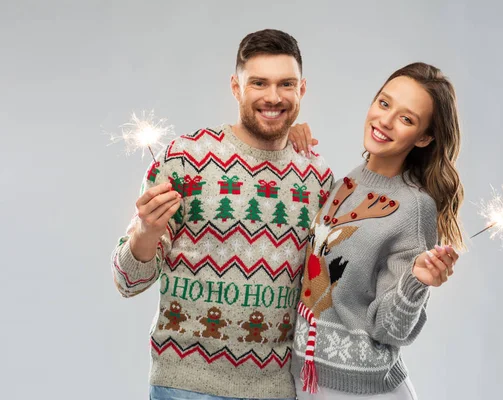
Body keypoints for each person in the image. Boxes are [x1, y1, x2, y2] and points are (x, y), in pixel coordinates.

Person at [110, 29, 335, 400]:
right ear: (236, 87)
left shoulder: (318, 178)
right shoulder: (185, 158)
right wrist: (146, 233)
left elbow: (322, 289)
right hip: (183, 385)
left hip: (277, 389)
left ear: (302, 89)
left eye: (286, 84)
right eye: (259, 83)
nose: (274, 97)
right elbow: (126, 281)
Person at [288, 62, 463, 400]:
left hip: (363, 392)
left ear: (425, 137)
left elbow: (390, 330)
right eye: (384, 103)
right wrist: (288, 139)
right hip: (306, 382)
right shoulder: (344, 184)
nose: (385, 120)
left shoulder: (414, 207)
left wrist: (415, 282)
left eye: (407, 119)